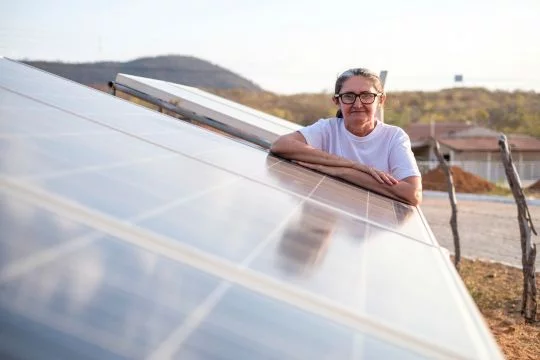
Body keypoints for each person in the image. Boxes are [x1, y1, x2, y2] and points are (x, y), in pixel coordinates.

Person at [270, 68, 422, 206]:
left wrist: (343, 172)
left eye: (367, 96)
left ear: (381, 100)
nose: (357, 104)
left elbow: (413, 193)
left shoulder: (394, 137)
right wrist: (357, 166)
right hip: (331, 218)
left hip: (375, 225)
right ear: (337, 101)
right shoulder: (328, 129)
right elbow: (281, 145)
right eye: (349, 96)